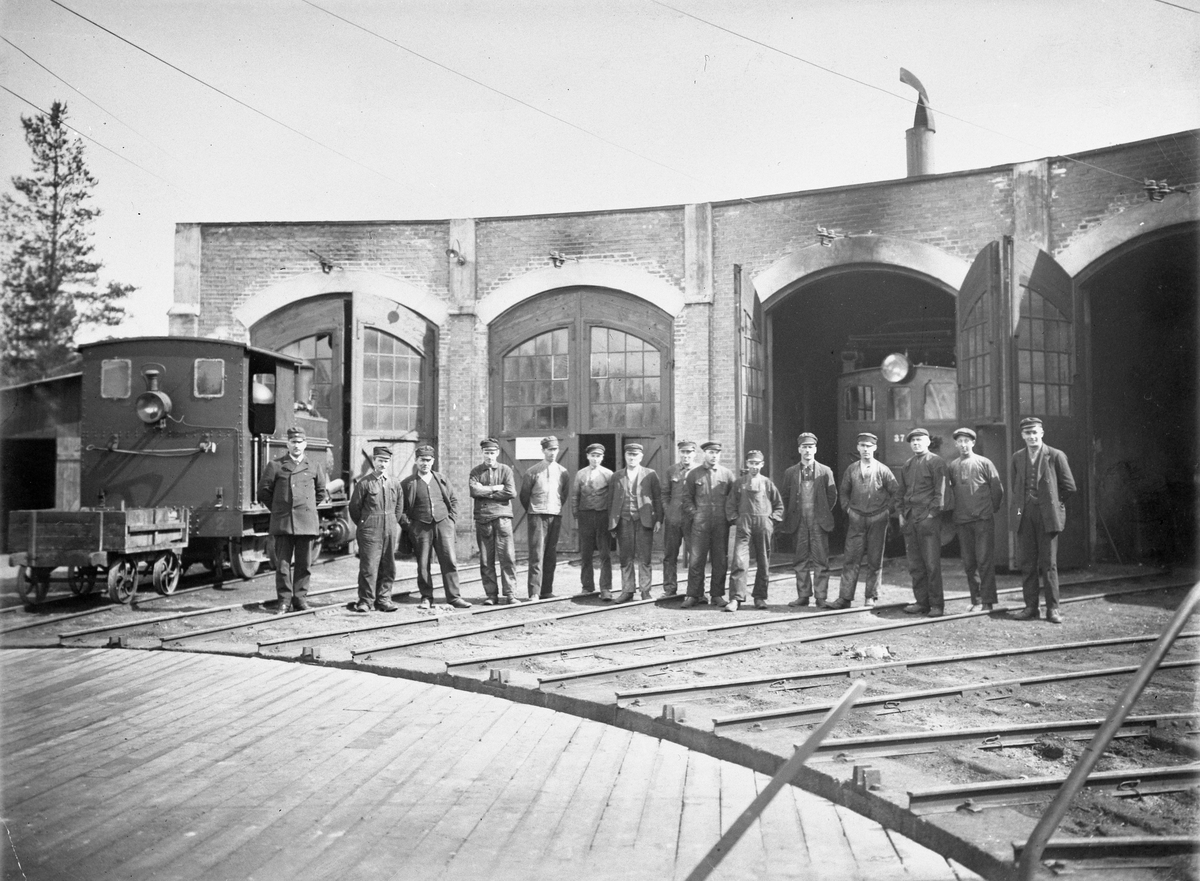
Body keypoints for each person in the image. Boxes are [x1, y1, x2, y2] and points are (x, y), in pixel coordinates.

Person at [1010, 416, 1076, 624]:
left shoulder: (1055, 455)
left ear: (1042, 433)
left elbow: (1069, 487)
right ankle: (1031, 607)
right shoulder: (1017, 457)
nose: (1032, 436)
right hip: (1024, 515)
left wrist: (1053, 503)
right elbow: (1015, 486)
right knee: (1027, 563)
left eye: (1035, 432)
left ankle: (1053, 609)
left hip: (1047, 515)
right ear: (1022, 435)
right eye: (1027, 433)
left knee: (1049, 564)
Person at [256, 426, 328, 613]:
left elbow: (320, 492)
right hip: (284, 521)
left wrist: (307, 508)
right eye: (293, 442)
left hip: (306, 522)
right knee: (282, 565)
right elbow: (263, 491)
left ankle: (300, 600)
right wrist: (279, 508)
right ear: (287, 444)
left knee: (304, 564)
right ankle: (284, 601)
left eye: (300, 442)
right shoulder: (275, 466)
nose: (296, 445)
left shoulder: (314, 466)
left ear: (305, 444)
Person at [399, 445, 471, 610]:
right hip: (420, 527)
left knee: (449, 561)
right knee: (423, 564)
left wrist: (451, 520)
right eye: (422, 460)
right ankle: (426, 597)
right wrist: (409, 526)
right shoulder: (408, 483)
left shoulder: (442, 479)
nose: (425, 463)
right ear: (416, 461)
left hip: (443, 525)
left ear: (433, 461)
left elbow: (454, 500)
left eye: (428, 460)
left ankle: (454, 597)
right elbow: (400, 508)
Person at [833, 432, 898, 610]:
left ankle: (871, 596)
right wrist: (848, 509)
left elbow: (896, 492)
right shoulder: (852, 469)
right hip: (856, 520)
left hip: (878, 519)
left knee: (875, 560)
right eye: (862, 446)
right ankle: (845, 597)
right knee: (850, 558)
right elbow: (843, 492)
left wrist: (887, 511)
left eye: (869, 446)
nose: (865, 449)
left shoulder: (883, 470)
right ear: (858, 448)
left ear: (875, 448)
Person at [948, 428, 1005, 612]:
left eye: (967, 441)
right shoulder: (953, 466)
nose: (963, 445)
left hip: (982, 520)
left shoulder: (984, 463)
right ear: (956, 444)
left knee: (984, 561)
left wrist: (989, 509)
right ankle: (976, 600)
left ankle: (988, 602)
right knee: (969, 563)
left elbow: (997, 489)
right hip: (962, 520)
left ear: (973, 443)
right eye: (960, 441)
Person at [896, 427, 950, 617]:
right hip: (910, 518)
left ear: (928, 442)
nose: (916, 443)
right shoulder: (908, 464)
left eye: (920, 440)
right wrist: (901, 513)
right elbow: (901, 492)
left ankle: (936, 605)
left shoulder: (936, 462)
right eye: (913, 441)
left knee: (931, 564)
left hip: (928, 519)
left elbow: (941, 492)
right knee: (915, 564)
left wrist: (931, 515)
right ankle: (921, 602)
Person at [780, 433, 838, 608]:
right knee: (800, 560)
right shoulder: (790, 473)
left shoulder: (825, 471)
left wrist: (822, 512)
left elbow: (832, 495)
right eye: (804, 447)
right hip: (799, 522)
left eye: (810, 447)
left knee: (821, 560)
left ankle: (821, 597)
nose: (807, 450)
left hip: (818, 522)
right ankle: (803, 596)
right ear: (799, 449)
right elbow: (785, 496)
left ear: (815, 449)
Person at [725, 450, 784, 612]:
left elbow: (779, 505)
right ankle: (736, 598)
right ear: (747, 464)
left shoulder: (767, 483)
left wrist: (771, 521)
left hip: (763, 525)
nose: (754, 467)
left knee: (763, 562)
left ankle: (760, 597)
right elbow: (730, 504)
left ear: (762, 465)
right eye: (751, 463)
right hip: (744, 525)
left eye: (757, 463)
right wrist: (736, 519)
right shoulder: (739, 483)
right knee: (739, 561)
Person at [347, 445, 402, 613]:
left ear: (389, 462)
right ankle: (365, 601)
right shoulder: (364, 483)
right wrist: (366, 523)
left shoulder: (394, 482)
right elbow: (354, 508)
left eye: (386, 461)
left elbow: (399, 506)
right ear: (374, 460)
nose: (383, 464)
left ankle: (384, 599)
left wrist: (392, 521)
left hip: (389, 529)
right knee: (369, 566)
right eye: (380, 460)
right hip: (370, 530)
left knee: (388, 566)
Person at [682, 441, 736, 608]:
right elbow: (686, 498)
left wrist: (729, 518)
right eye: (710, 452)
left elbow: (733, 498)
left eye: (716, 453)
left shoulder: (727, 474)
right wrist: (695, 514)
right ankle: (694, 595)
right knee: (696, 560)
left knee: (720, 560)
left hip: (720, 524)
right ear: (704, 454)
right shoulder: (694, 474)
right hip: (700, 524)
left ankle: (717, 595)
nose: (714, 456)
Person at [608, 442, 663, 602]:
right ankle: (627, 591)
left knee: (645, 556)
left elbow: (658, 498)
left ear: (641, 457)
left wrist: (659, 519)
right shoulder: (617, 476)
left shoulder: (650, 475)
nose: (632, 458)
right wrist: (612, 523)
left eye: (635, 455)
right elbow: (610, 501)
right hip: (623, 521)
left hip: (644, 520)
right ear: (625, 456)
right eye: (629, 455)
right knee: (625, 557)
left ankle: (645, 591)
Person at [518, 436, 570, 600]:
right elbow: (524, 496)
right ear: (543, 451)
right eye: (549, 450)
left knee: (551, 554)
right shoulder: (532, 471)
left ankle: (546, 590)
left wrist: (554, 508)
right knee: (537, 554)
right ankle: (534, 591)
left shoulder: (563, 472)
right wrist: (534, 510)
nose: (552, 453)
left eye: (555, 449)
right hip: (537, 516)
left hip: (555, 514)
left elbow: (564, 495)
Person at [469, 438, 518, 605]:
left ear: (497, 453)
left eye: (492, 453)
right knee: (485, 559)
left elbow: (511, 492)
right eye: (486, 453)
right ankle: (491, 595)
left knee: (507, 556)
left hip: (503, 518)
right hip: (483, 519)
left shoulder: (505, 470)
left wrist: (485, 492)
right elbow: (474, 491)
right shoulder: (476, 471)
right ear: (482, 453)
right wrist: (495, 489)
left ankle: (510, 594)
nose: (489, 456)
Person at [571, 442, 614, 599]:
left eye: (598, 456)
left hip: (603, 516)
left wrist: (611, 519)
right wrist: (576, 515)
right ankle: (587, 586)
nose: (595, 459)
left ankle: (606, 588)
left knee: (605, 553)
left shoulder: (608, 474)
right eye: (592, 456)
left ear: (602, 457)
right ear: (587, 456)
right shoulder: (581, 474)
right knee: (586, 553)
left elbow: (613, 497)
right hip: (586, 516)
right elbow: (575, 496)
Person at [660, 440, 697, 597]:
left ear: (694, 454)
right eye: (683, 452)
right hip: (673, 520)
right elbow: (664, 494)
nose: (686, 455)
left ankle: (695, 591)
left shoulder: (699, 471)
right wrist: (668, 511)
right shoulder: (671, 470)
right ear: (679, 453)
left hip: (693, 520)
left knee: (696, 556)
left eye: (689, 452)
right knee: (670, 555)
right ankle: (670, 589)